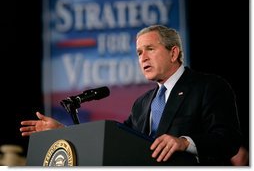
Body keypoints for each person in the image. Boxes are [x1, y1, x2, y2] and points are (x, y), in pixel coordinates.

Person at [20, 25, 242, 165]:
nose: (142, 57)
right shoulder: (142, 103)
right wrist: (63, 132)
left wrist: (185, 142)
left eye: (150, 49)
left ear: (173, 52)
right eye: (138, 52)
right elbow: (112, 142)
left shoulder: (209, 86)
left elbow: (228, 141)